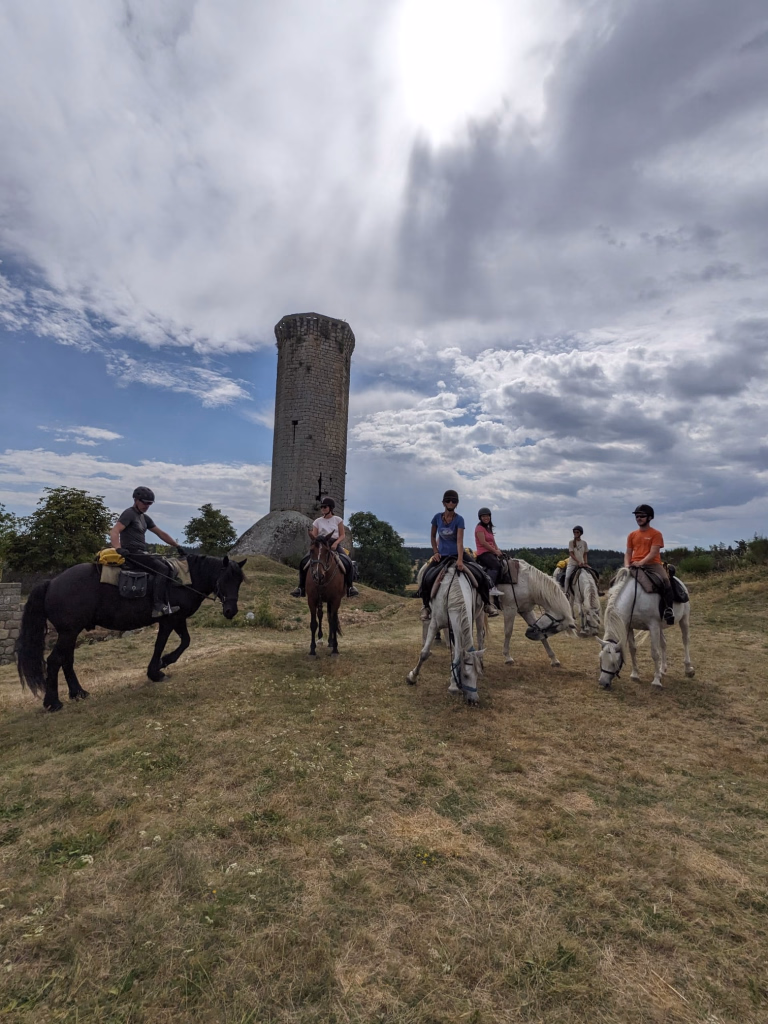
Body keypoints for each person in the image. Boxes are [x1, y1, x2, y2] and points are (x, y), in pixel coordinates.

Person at [109, 486, 186, 617]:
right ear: (136, 499)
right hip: (132, 553)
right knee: (162, 569)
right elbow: (114, 531)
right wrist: (118, 548)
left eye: (149, 503)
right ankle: (157, 606)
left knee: (167, 565)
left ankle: (165, 602)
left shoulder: (145, 518)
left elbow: (160, 533)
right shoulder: (129, 514)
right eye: (145, 502)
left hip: (141, 552)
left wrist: (177, 545)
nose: (147, 506)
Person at [290, 498, 359, 598]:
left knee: (348, 562)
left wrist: (336, 543)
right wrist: (314, 541)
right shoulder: (317, 521)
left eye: (325, 507)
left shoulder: (337, 520)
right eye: (321, 507)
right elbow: (314, 535)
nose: (322, 508)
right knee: (303, 562)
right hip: (320, 544)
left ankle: (350, 587)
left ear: (330, 508)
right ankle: (301, 588)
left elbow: (342, 535)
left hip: (333, 544)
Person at [624, 504, 675, 624]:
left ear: (650, 518)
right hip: (634, 564)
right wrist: (626, 566)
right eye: (637, 516)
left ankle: (668, 609)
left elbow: (653, 552)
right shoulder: (632, 535)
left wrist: (641, 563)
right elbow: (628, 553)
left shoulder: (656, 534)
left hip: (653, 564)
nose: (638, 518)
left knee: (665, 581)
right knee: (615, 581)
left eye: (642, 516)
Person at [474, 508, 504, 608]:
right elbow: (483, 543)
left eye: (487, 516)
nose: (486, 518)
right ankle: (490, 587)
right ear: (480, 518)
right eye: (483, 516)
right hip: (483, 553)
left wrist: (498, 551)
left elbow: (493, 542)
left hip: (491, 552)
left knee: (504, 564)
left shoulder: (488, 528)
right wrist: (495, 551)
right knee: (496, 565)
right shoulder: (479, 528)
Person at [564, 525, 589, 594]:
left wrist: (586, 563)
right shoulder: (571, 542)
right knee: (567, 577)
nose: (575, 533)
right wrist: (578, 562)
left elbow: (585, 554)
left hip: (582, 564)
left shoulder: (584, 543)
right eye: (574, 532)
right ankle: (566, 593)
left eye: (577, 532)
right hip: (572, 564)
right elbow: (571, 554)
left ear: (580, 533)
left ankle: (596, 591)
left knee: (592, 575)